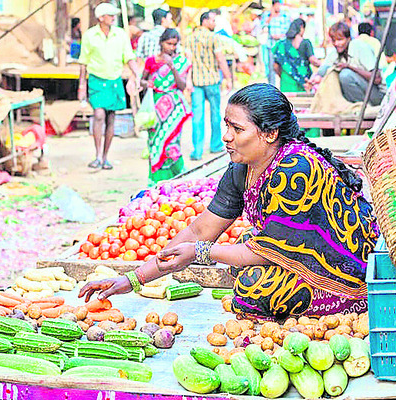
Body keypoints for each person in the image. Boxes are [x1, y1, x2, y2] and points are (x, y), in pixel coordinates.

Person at [79, 83, 379, 320]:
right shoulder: (243, 168)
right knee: (245, 252)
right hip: (297, 257)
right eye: (227, 126)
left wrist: (201, 253)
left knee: (252, 287)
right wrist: (132, 279)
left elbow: (257, 253)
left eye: (237, 129)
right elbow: (199, 231)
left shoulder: (295, 170)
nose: (226, 137)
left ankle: (348, 303)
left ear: (271, 133)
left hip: (346, 274)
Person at [78, 3, 140, 170]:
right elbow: (83, 62)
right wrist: (81, 86)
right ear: (101, 18)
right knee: (99, 115)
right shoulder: (90, 36)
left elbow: (129, 57)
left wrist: (137, 74)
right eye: (110, 15)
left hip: (114, 80)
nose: (113, 17)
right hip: (96, 80)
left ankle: (105, 157)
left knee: (111, 117)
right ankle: (97, 155)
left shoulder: (120, 34)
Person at [140, 28, 192, 184]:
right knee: (155, 142)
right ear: (161, 43)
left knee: (172, 143)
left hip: (174, 108)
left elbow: (182, 86)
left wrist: (172, 67)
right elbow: (142, 80)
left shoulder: (181, 62)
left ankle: (176, 177)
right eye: (169, 44)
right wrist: (147, 83)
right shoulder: (151, 61)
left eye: (175, 44)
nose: (172, 47)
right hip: (156, 107)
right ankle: (157, 179)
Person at [184, 11, 232, 161]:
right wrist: (228, 77)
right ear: (204, 21)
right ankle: (215, 144)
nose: (214, 23)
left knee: (197, 116)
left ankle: (197, 151)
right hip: (211, 81)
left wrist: (188, 80)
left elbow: (187, 62)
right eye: (212, 20)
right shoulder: (214, 38)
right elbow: (220, 59)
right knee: (215, 113)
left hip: (196, 82)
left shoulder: (189, 38)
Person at [305, 22, 385, 105]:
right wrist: (314, 80)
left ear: (348, 38)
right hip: (359, 93)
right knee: (327, 71)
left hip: (376, 94)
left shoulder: (360, 47)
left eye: (340, 40)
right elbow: (323, 69)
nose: (336, 44)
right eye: (334, 40)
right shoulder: (335, 54)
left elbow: (377, 79)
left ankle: (362, 107)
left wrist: (350, 67)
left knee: (345, 75)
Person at [273, 18, 321, 92]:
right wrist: (324, 65)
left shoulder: (282, 45)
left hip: (286, 82)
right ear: (301, 27)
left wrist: (284, 74)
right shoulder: (306, 43)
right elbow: (313, 60)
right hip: (304, 83)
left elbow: (275, 66)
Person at [261, 0, 291, 86]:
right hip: (271, 44)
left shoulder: (285, 15)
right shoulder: (267, 15)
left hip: (282, 45)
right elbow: (263, 27)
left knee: (283, 65)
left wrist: (281, 36)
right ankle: (271, 86)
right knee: (271, 67)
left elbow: (288, 29)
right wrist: (271, 16)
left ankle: (285, 83)